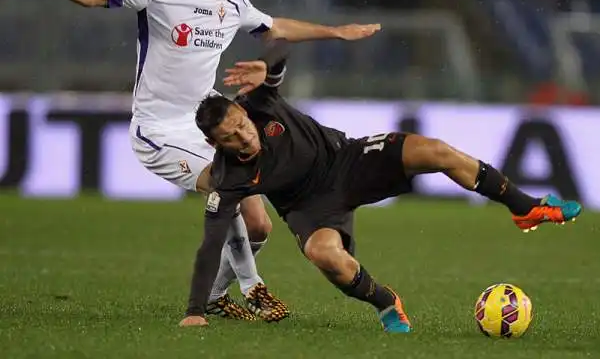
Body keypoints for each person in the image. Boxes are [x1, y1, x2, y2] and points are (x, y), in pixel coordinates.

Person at [11, 0, 380, 324]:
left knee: (259, 227)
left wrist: (335, 32)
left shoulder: (232, 2)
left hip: (207, 126)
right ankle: (252, 286)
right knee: (227, 186)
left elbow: (276, 27)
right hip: (158, 129)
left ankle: (216, 295)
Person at [186, 48, 583, 331]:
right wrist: (195, 309)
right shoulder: (229, 178)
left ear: (241, 110)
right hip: (309, 207)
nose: (244, 137)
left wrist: (267, 62)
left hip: (348, 160)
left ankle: (525, 207)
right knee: (325, 255)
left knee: (437, 152)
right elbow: (210, 244)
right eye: (231, 138)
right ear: (216, 144)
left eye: (241, 125)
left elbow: (280, 49)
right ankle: (386, 303)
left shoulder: (260, 102)